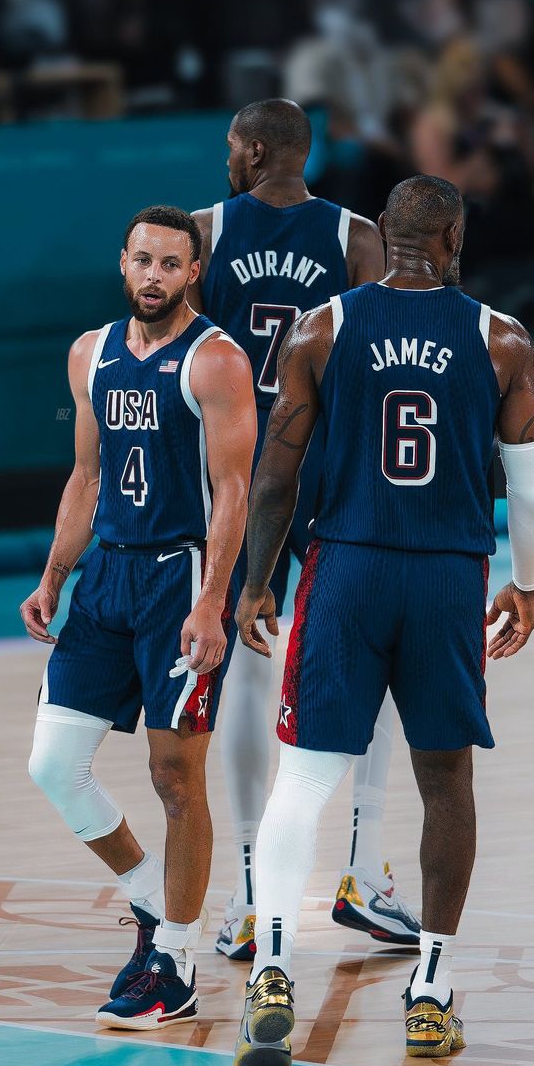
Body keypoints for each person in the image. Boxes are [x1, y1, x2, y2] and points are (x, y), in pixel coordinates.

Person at [232, 174, 534, 1066]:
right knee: (446, 783)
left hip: (347, 568)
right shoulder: (503, 340)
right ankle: (431, 990)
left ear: (383, 232)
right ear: (454, 239)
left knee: (304, 778)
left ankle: (271, 974)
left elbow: (273, 475)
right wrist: (525, 584)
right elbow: (532, 491)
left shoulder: (321, 327)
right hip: (448, 574)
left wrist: (258, 581)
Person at [191, 98, 420, 961]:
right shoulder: (358, 238)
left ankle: (252, 893)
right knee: (375, 662)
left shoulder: (208, 232)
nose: (226, 160)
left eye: (229, 147)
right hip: (332, 474)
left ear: (252, 150)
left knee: (245, 675)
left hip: (240, 480)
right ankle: (361, 870)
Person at [21, 205, 255, 1028]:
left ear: (194, 273)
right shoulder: (91, 353)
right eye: (142, 260)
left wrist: (214, 600)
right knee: (54, 764)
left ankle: (179, 966)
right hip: (106, 581)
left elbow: (234, 491)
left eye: (170, 264)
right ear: (123, 263)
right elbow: (85, 476)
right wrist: (55, 574)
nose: (153, 275)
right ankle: (154, 900)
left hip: (177, 578)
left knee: (174, 777)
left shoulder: (217, 359)